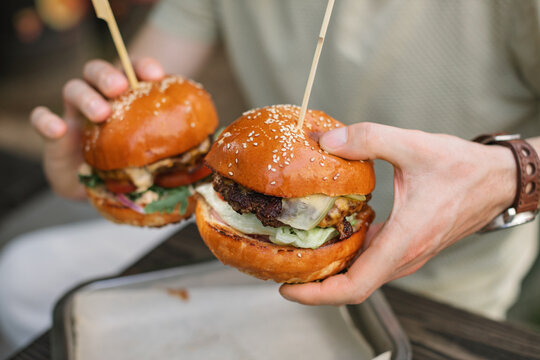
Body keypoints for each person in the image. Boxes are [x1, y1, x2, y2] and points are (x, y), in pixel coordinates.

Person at [8, 0, 540, 348]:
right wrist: (97, 154)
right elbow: (144, 89)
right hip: (223, 235)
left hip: (444, 287)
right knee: (16, 277)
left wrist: (509, 173)